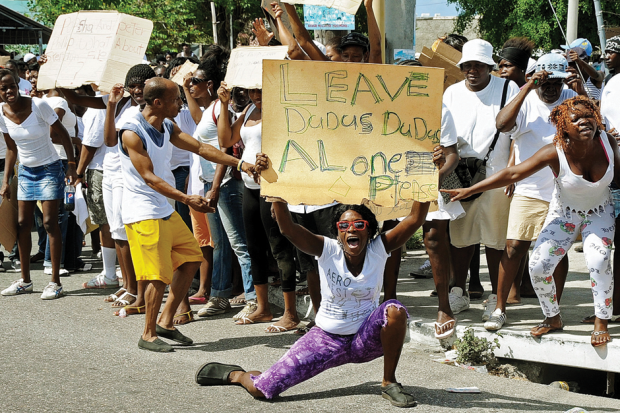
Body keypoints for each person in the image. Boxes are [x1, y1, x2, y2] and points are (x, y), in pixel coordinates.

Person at [195, 187, 429, 407]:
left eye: (359, 224)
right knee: (263, 390)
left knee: (394, 310)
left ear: (369, 230)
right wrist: (277, 192)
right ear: (337, 231)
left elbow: (414, 219)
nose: (351, 229)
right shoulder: (327, 249)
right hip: (325, 339)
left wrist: (429, 177)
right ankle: (237, 374)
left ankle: (389, 382)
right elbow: (288, 229)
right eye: (344, 225)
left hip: (363, 340)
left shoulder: (379, 248)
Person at [443, 96, 617, 347]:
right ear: (563, 127)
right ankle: (552, 317)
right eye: (575, 118)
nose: (583, 121)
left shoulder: (607, 142)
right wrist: (469, 190)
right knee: (537, 265)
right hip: (565, 212)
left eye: (588, 116)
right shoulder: (553, 151)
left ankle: (602, 320)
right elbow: (512, 173)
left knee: (598, 259)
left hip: (600, 210)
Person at [113, 78, 256, 352]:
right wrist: (187, 198)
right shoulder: (132, 132)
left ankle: (166, 322)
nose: (180, 104)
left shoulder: (166, 125)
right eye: (176, 99)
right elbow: (149, 178)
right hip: (142, 211)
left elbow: (201, 148)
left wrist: (240, 163)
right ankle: (149, 334)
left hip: (164, 208)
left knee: (191, 258)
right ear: (157, 103)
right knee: (157, 276)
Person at [484, 54, 579, 331]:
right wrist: (526, 87)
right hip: (529, 189)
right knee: (514, 248)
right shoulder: (525, 99)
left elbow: (594, 127)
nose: (550, 88)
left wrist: (579, 89)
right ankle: (499, 308)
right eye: (544, 81)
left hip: (564, 192)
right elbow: (502, 125)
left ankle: (553, 312)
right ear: (536, 78)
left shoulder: (571, 96)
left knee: (556, 253)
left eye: (556, 82)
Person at [442, 39, 519, 319]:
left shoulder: (509, 89)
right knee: (460, 238)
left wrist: (513, 172)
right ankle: (458, 292)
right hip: (461, 176)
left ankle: (495, 300)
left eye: (478, 65)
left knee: (496, 240)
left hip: (498, 175)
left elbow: (516, 135)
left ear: (490, 67)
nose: (472, 70)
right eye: (467, 65)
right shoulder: (451, 93)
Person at [217, 81, 299, 332]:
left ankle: (290, 313)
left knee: (279, 248)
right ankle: (263, 308)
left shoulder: (282, 110)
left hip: (273, 186)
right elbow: (225, 138)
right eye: (251, 91)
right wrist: (222, 103)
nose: (255, 95)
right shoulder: (248, 111)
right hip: (249, 188)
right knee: (254, 247)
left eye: (260, 90)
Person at [183, 59, 257, 321]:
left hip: (224, 184)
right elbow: (198, 126)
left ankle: (252, 298)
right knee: (220, 245)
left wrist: (214, 186)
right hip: (210, 183)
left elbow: (223, 148)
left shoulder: (220, 110)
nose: (191, 85)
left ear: (210, 84)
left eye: (195, 81)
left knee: (238, 244)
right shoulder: (210, 109)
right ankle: (219, 295)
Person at [0, 68, 77, 299]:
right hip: (25, 171)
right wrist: (6, 180)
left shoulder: (38, 105)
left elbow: (62, 134)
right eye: (3, 88)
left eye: (12, 86)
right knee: (23, 223)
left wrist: (71, 164)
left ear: (18, 85)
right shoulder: (1, 113)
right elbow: (12, 148)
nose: (9, 91)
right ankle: (25, 281)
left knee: (49, 223)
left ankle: (55, 282)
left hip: (50, 168)